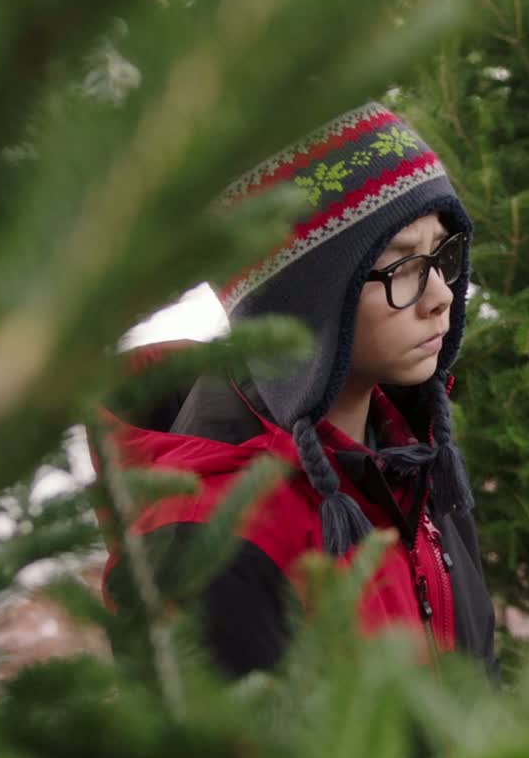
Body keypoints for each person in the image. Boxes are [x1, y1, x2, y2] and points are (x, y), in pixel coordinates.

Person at [101, 103, 497, 677]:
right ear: (307, 302)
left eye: (443, 253)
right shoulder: (206, 546)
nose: (440, 296)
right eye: (402, 266)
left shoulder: (412, 459)